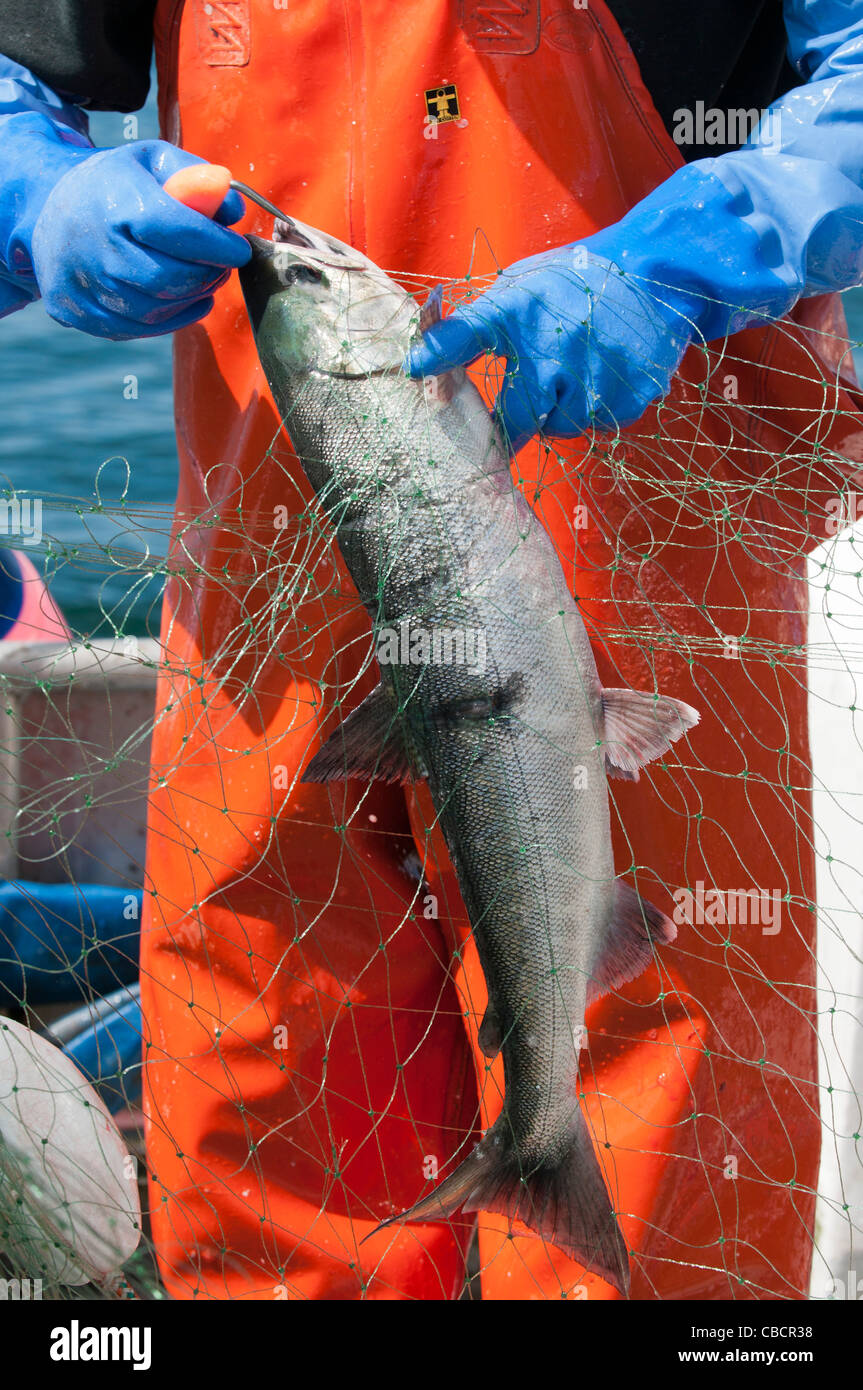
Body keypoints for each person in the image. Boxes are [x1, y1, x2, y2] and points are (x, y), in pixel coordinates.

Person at [0, 0, 861, 1301]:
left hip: (647, 571)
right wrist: (39, 193)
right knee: (267, 1135)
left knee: (662, 1188)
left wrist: (729, 231)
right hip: (270, 614)